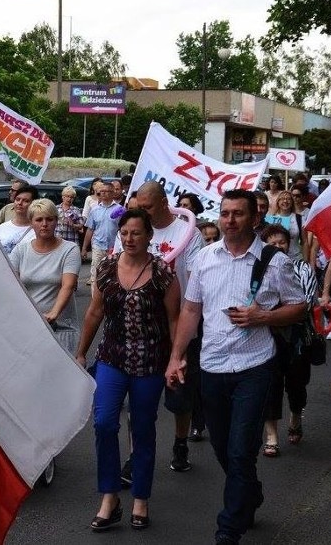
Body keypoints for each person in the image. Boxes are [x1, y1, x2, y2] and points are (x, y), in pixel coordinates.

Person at [166, 189, 306, 545]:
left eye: (238, 214)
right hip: (212, 365)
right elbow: (191, 310)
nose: (230, 220)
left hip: (254, 366)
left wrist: (264, 316)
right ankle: (250, 493)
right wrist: (176, 356)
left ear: (253, 218)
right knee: (223, 449)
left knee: (241, 449)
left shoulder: (275, 261)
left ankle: (229, 527)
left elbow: (298, 306)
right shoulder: (205, 258)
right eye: (225, 214)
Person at [75, 208, 181, 532]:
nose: (129, 238)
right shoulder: (107, 268)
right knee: (105, 423)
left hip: (150, 362)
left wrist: (177, 358)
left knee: (143, 430)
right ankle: (110, 496)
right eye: (125, 232)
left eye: (136, 232)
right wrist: (81, 353)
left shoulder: (163, 272)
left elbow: (175, 318)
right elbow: (94, 312)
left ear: (149, 236)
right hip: (112, 358)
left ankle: (140, 498)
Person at [114, 181, 204, 474]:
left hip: (178, 321)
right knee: (138, 396)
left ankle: (180, 441)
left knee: (179, 392)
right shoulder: (131, 230)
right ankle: (134, 454)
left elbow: (194, 278)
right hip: (139, 325)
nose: (143, 212)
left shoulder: (188, 233)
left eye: (148, 207)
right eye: (139, 206)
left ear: (165, 203)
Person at [259, 225, 317, 457]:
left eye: (281, 242)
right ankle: (271, 436)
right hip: (266, 335)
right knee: (269, 384)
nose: (278, 247)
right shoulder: (257, 269)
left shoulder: (303, 269)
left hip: (297, 338)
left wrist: (279, 309)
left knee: (296, 383)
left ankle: (295, 417)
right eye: (272, 243)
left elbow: (306, 303)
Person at [9, 199, 82, 355]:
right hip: (29, 327)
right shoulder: (20, 251)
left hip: (61, 328)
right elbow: (12, 286)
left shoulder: (70, 249)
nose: (44, 224)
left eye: (49, 219)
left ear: (56, 221)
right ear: (31, 223)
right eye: (39, 219)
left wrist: (53, 313)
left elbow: (67, 285)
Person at [82, 182, 121, 286]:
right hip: (98, 246)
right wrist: (84, 248)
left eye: (106, 191)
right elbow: (90, 230)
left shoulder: (120, 210)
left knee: (113, 275)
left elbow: (123, 229)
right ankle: (95, 299)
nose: (103, 194)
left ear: (113, 193)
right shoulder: (95, 210)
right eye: (101, 192)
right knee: (95, 275)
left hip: (114, 248)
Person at [0, 186, 39, 255]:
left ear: (33, 204)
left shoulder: (38, 230)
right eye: (17, 199)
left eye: (26, 201)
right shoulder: (2, 227)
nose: (20, 203)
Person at [269, 190, 305, 260]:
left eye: (288, 199)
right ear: (278, 202)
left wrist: (306, 261)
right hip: (277, 259)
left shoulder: (299, 218)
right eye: (282, 199)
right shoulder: (272, 219)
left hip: (296, 258)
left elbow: (305, 242)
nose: (285, 201)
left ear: (292, 202)